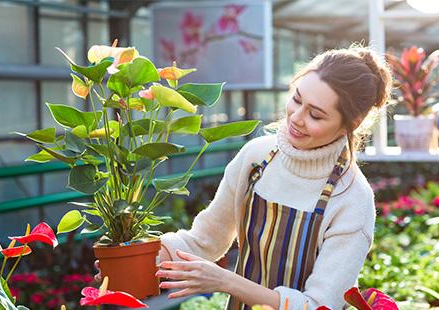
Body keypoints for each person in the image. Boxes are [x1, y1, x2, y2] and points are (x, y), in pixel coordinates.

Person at [96, 45, 393, 310]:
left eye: (315, 115)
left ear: (349, 124)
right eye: (296, 99)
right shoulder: (257, 158)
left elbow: (318, 305)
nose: (296, 117)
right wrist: (136, 260)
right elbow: (205, 241)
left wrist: (226, 281)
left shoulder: (352, 199)